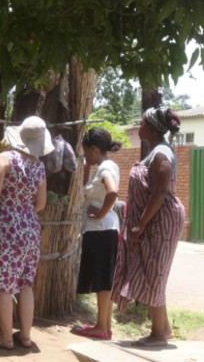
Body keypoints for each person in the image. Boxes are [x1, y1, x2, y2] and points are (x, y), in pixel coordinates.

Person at [0, 115, 54, 350]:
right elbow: (41, 203)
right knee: (25, 283)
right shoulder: (39, 166)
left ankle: (6, 338)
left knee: (3, 284)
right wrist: (23, 210)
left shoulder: (5, 158)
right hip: (30, 227)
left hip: (6, 226)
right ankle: (26, 336)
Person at [111, 107, 185, 347]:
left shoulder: (161, 153)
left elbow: (161, 191)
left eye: (141, 122)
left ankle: (158, 335)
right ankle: (164, 329)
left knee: (155, 270)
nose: (138, 126)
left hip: (160, 221)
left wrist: (140, 224)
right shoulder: (155, 152)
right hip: (154, 220)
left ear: (152, 127)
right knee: (153, 269)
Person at [73, 127, 122, 340]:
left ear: (94, 149)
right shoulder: (102, 166)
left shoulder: (106, 169)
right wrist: (85, 167)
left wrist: (101, 214)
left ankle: (101, 327)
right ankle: (104, 325)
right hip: (103, 230)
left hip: (101, 230)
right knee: (104, 280)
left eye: (86, 152)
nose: (85, 156)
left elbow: (112, 192)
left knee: (103, 281)